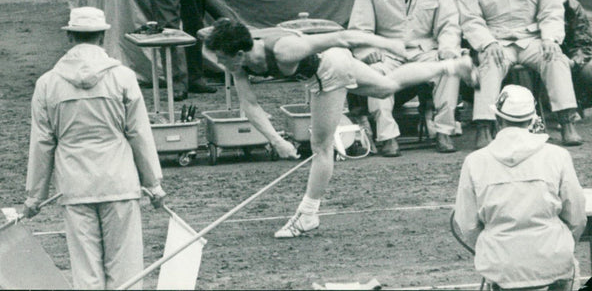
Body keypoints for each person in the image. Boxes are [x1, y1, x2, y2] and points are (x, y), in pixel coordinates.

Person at [203, 17, 478, 239]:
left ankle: (308, 215)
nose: (218, 63)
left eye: (220, 57)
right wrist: (276, 140)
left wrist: (388, 44)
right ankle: (452, 66)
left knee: (321, 148)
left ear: (238, 54)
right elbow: (249, 105)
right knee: (387, 87)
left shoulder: (284, 49)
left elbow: (343, 37)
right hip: (334, 62)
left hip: (329, 69)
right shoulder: (239, 60)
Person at [22, 6, 166, 290]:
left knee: (86, 273)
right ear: (102, 37)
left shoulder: (47, 84)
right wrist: (154, 184)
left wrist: (34, 197)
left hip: (75, 186)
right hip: (119, 181)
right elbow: (138, 133)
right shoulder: (123, 77)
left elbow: (42, 143)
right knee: (126, 270)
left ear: (70, 38)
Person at [458, 0, 582, 149]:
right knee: (489, 63)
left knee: (556, 59)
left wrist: (550, 39)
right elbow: (470, 18)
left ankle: (567, 123)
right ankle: (484, 127)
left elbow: (551, 10)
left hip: (532, 39)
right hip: (496, 39)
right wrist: (486, 43)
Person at [454, 84, 586, 291]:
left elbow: (467, 224)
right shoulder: (558, 156)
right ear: (533, 120)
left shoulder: (474, 161)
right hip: (553, 264)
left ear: (497, 120)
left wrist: (495, 250)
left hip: (500, 268)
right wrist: (560, 246)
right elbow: (577, 217)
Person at [348, 0, 463, 156]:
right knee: (375, 74)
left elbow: (449, 23)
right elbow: (360, 26)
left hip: (425, 51)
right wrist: (369, 50)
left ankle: (444, 131)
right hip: (388, 52)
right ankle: (387, 135)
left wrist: (448, 49)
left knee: (449, 69)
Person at [527, 0, 592, 115]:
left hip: (561, 56)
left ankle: (574, 102)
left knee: (590, 70)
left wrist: (573, 62)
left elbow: (583, 42)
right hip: (529, 55)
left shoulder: (571, 6)